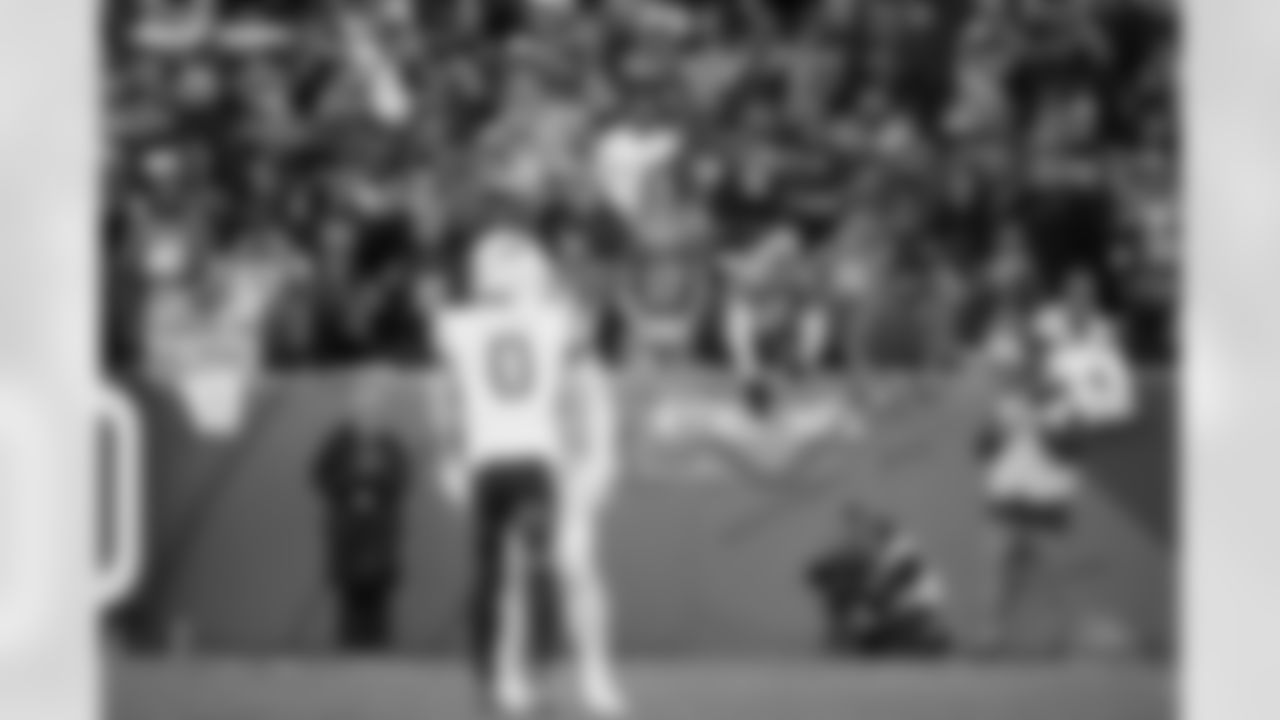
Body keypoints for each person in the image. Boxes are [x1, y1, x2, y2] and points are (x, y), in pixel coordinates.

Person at [429, 226, 627, 718]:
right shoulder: (555, 321)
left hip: (550, 454)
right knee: (536, 572)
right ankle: (525, 677)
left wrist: (593, 458)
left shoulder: (487, 323)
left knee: (564, 570)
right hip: (539, 455)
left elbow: (587, 393)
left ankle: (583, 675)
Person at [312, 366, 412, 652]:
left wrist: (374, 492)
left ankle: (380, 663)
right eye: (363, 403)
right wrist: (350, 491)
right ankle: (349, 662)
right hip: (348, 534)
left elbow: (402, 478)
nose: (369, 410)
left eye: (374, 405)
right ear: (353, 406)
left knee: (379, 601)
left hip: (380, 536)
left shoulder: (391, 444)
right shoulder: (339, 441)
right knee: (350, 600)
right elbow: (320, 475)